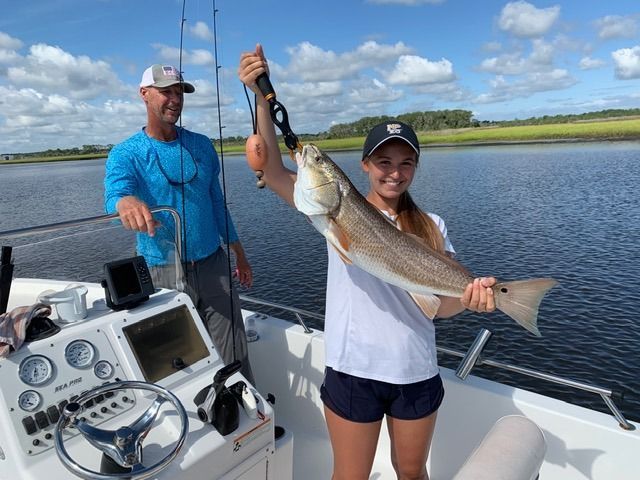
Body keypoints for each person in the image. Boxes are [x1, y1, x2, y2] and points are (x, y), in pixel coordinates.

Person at [238, 45, 497, 480]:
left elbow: (442, 307)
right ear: (364, 165)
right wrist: (262, 98)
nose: (394, 172)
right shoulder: (330, 212)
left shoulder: (432, 224)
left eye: (405, 163)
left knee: (411, 473)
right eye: (383, 162)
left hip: (415, 369)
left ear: (415, 167)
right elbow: (269, 163)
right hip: (352, 370)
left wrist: (472, 299)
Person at [104, 64, 254, 383]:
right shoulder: (126, 153)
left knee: (235, 353)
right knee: (176, 363)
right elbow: (115, 193)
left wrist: (238, 253)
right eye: (165, 92)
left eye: (178, 92)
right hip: (161, 270)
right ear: (144, 94)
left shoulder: (201, 145)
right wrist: (124, 202)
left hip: (214, 265)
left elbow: (217, 203)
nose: (174, 99)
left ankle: (248, 412)